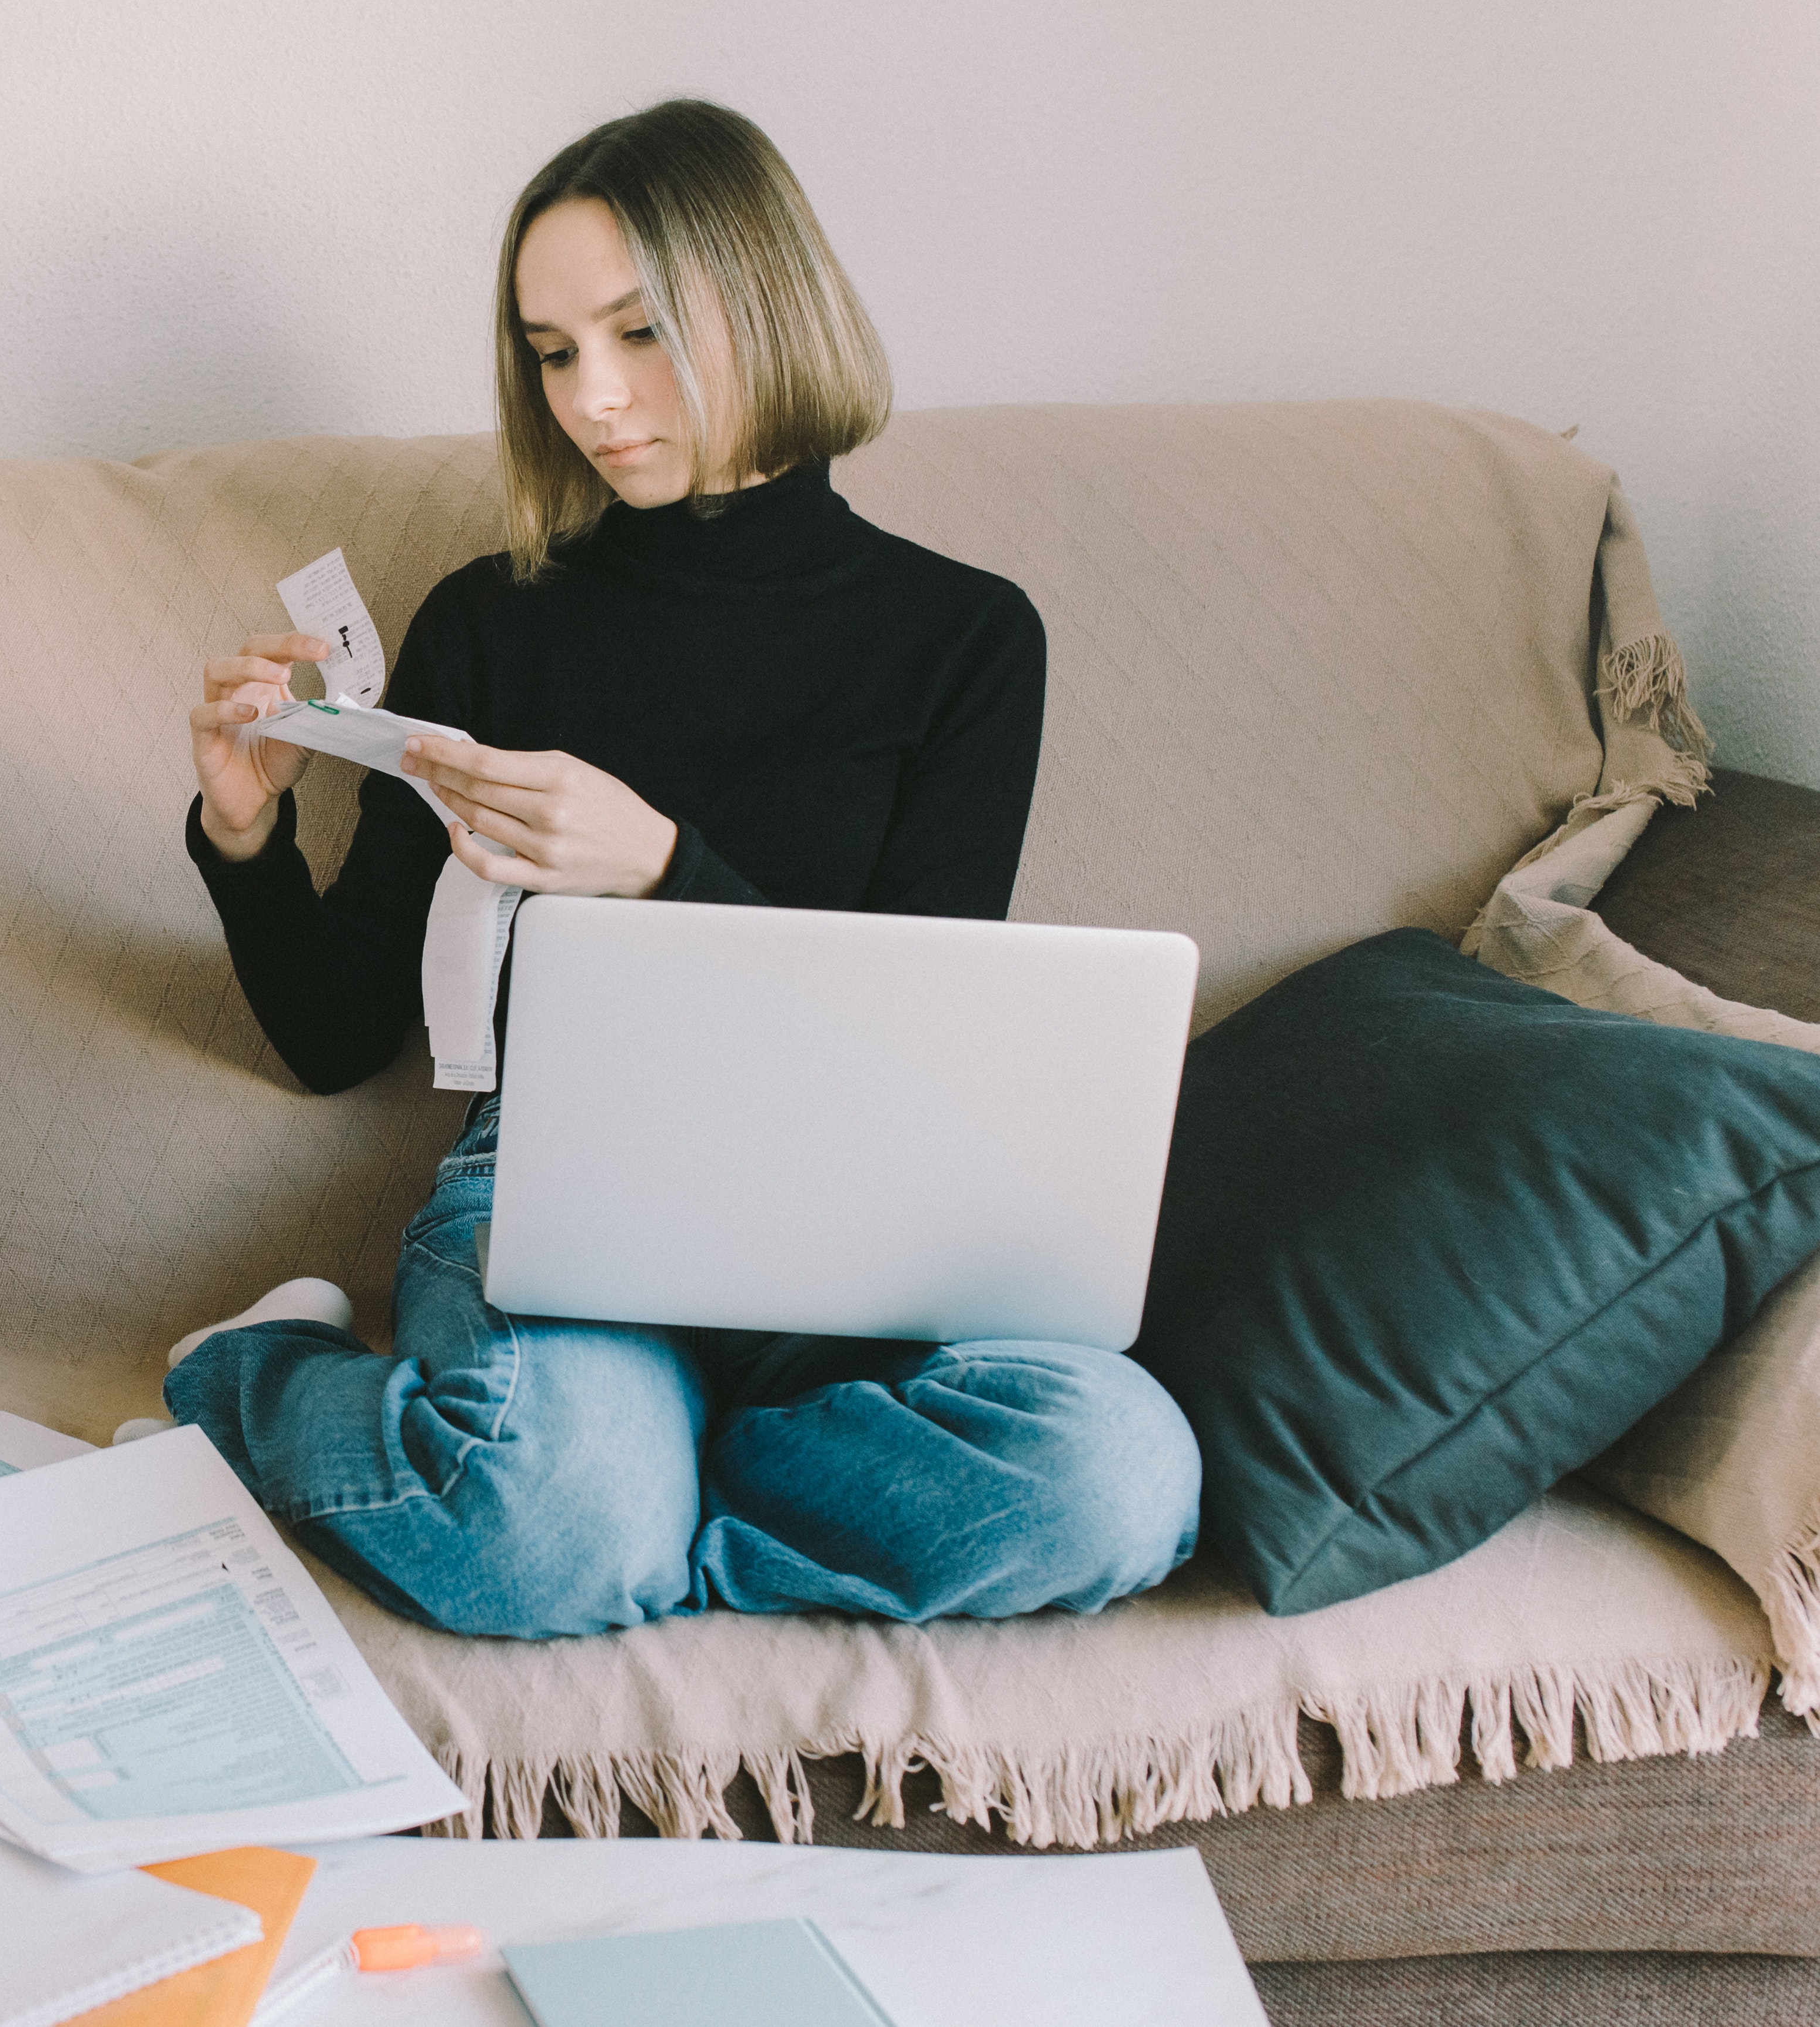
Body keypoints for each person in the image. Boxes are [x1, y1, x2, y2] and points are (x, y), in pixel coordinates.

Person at [161, 99, 1201, 1641]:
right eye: (552, 350)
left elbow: (900, 1040)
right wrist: (244, 829)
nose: (595, 398)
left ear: (765, 304)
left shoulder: (968, 641)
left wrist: (659, 865)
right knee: (563, 1512)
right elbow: (334, 1039)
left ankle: (635, 1511)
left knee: (1120, 1479)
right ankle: (253, 1381)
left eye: (637, 333)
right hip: (558, 1179)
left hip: (851, 1205)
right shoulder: (491, 623)